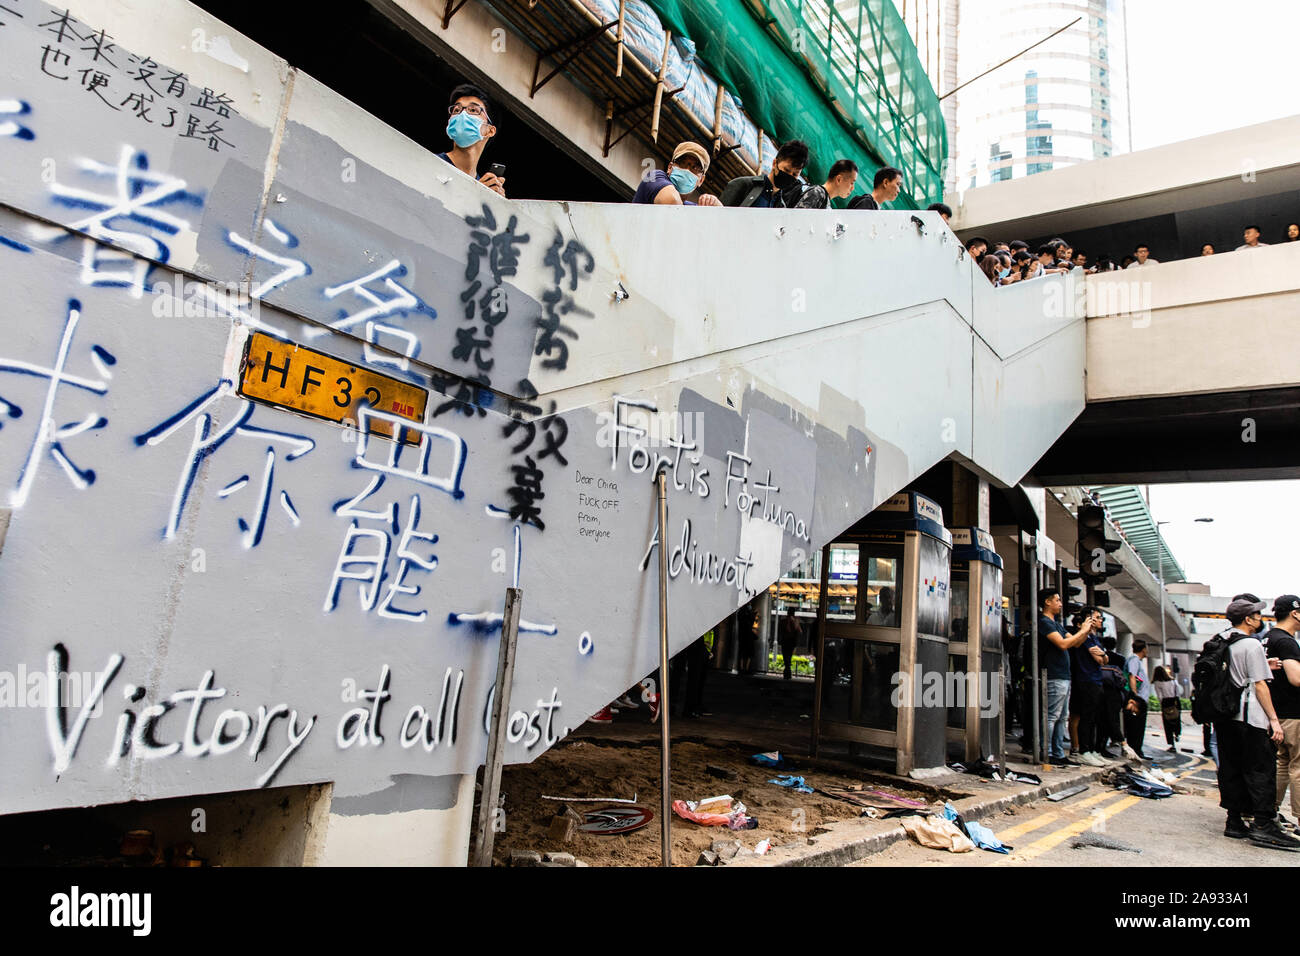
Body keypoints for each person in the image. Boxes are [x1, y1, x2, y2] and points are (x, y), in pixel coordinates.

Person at [1214, 597, 1299, 849]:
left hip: (1225, 715)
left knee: (1232, 768)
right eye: (1257, 615)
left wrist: (1267, 664)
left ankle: (1235, 821)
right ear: (1248, 619)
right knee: (1260, 770)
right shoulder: (1250, 644)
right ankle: (1263, 824)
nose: (1260, 619)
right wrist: (1274, 721)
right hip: (1248, 717)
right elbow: (1260, 685)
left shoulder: (1223, 639)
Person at [1038, 588, 1096, 765]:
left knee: (1062, 717)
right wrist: (1083, 630)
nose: (1061, 604)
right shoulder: (1044, 622)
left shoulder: (1057, 624)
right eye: (1057, 600)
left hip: (1064, 675)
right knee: (1051, 716)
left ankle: (1058, 753)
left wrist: (1086, 630)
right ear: (1047, 602)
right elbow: (1063, 644)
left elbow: (1076, 642)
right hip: (1054, 674)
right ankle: (1045, 752)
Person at [1263, 595, 1300, 831]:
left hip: (1276, 714)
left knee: (1282, 765)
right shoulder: (1286, 642)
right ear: (1295, 613)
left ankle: (1268, 813)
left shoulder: (1267, 638)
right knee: (1298, 768)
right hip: (1294, 714)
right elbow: (1296, 678)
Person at [437, 83, 506, 197]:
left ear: (490, 131)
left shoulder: (484, 188)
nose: (462, 114)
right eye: (456, 110)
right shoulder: (431, 162)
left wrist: (495, 205)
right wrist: (473, 195)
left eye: (473, 110)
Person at [1068, 607, 1109, 766]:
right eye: (1098, 617)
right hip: (1086, 680)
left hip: (1095, 680)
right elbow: (1100, 660)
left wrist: (1103, 655)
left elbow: (1104, 660)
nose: (1100, 621)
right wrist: (1102, 656)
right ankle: (1083, 750)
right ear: (1088, 619)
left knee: (1093, 718)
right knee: (1086, 717)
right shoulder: (1084, 638)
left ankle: (1091, 750)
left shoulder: (1094, 638)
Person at [720, 139, 809, 208]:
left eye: (794, 175)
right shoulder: (743, 185)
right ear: (774, 163)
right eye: (786, 170)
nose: (789, 176)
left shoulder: (781, 208)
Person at [632, 141, 721, 206]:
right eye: (682, 163)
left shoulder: (689, 207)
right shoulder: (654, 178)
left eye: (695, 168)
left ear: (701, 180)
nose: (687, 170)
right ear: (670, 167)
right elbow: (672, 202)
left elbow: (724, 222)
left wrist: (716, 206)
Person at [1098, 635, 1126, 757]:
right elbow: (1123, 677)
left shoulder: (1101, 656)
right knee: (1112, 718)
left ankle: (1100, 746)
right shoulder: (1120, 659)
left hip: (1100, 689)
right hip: (1114, 691)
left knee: (1101, 720)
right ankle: (1112, 741)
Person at [1123, 639, 1150, 759]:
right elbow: (1132, 676)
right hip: (1137, 699)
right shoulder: (1134, 660)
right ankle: (1135, 750)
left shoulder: (1136, 661)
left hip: (1139, 698)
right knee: (1136, 727)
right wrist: (1134, 696)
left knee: (1138, 727)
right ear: (1143, 649)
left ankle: (1138, 750)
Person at [794, 159, 859, 209]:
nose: (852, 188)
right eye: (852, 183)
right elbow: (798, 221)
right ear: (839, 179)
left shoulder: (825, 200)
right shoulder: (817, 193)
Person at [1152, 664, 1182, 751]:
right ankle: (1177, 733)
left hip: (1165, 702)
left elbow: (1159, 696)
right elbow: (1177, 692)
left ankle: (1172, 745)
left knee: (1168, 724)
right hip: (1174, 701)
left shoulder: (1157, 683)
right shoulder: (1173, 680)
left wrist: (1162, 703)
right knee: (1176, 719)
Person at [779, 608, 803, 680]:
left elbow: (797, 631)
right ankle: (787, 673)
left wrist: (792, 622)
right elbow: (800, 631)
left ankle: (787, 673)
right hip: (789, 642)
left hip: (788, 642)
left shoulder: (788, 621)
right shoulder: (791, 621)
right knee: (787, 657)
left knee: (786, 657)